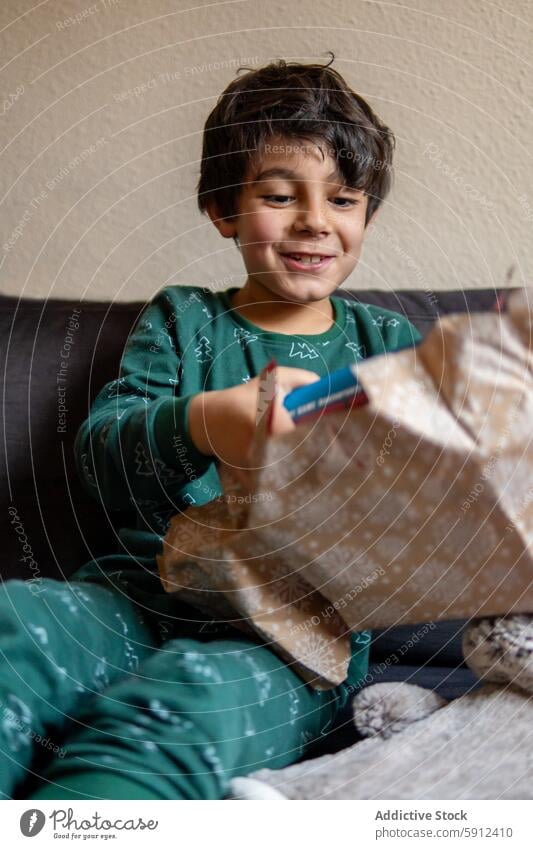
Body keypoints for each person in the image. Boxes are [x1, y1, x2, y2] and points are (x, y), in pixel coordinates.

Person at [1, 54, 422, 800]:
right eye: (278, 194)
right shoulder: (184, 318)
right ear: (223, 209)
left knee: (190, 705)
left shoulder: (387, 344)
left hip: (292, 641)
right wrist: (205, 421)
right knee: (18, 623)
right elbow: (103, 459)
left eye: (344, 198)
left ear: (368, 216)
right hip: (133, 598)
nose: (315, 221)